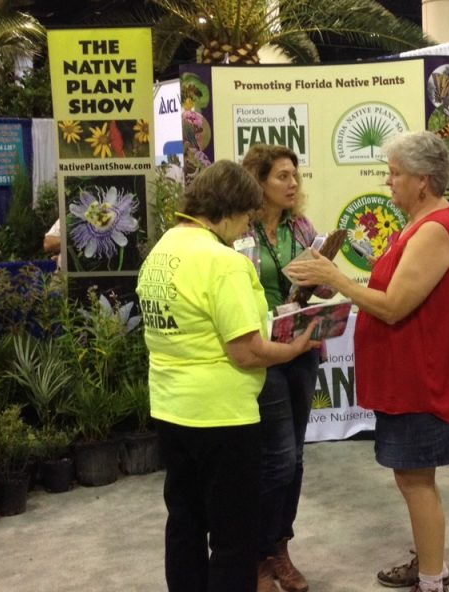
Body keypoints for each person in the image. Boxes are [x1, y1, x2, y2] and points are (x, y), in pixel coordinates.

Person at [288, 130, 449, 592]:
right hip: (406, 375)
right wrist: (339, 284)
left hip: (419, 379)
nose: (388, 182)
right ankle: (431, 563)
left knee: (415, 481)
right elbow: (387, 294)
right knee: (412, 478)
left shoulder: (433, 230)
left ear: (423, 181)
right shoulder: (419, 223)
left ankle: (432, 579)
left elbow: (393, 306)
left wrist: (337, 278)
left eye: (395, 174)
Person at [136, 160, 318, 592]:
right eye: (247, 216)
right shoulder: (222, 261)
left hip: (170, 406)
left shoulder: (165, 247)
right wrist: (294, 348)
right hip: (222, 415)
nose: (246, 228)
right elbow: (247, 350)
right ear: (232, 208)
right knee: (233, 535)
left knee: (184, 521)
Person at [239, 144, 328, 592]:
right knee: (275, 459)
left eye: (295, 176)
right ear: (259, 182)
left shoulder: (303, 227)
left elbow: (319, 287)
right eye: (282, 177)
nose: (293, 184)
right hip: (264, 353)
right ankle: (257, 552)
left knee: (294, 459)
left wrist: (322, 278)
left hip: (304, 348)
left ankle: (279, 548)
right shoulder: (241, 233)